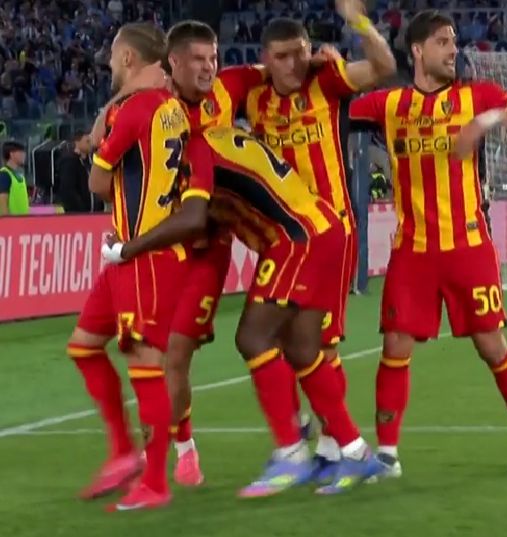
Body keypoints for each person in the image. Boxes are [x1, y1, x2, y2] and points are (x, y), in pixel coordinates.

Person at [102, 126, 384, 497]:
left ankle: (291, 452)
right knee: (302, 349)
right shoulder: (217, 140)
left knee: (253, 338)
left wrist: (128, 248)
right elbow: (204, 223)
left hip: (296, 239)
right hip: (323, 228)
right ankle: (356, 451)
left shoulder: (195, 151)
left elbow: (192, 220)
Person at [349, 10, 507, 478]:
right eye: (443, 41)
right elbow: (334, 105)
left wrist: (487, 121)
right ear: (418, 50)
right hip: (413, 252)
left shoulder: (476, 96)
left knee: (491, 345)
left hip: (468, 247)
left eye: (454, 41)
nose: (453, 49)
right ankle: (387, 456)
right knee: (395, 346)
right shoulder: (389, 104)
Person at [243, 0, 396, 480]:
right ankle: (318, 440)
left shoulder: (326, 81)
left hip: (331, 232)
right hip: (285, 238)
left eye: (300, 52)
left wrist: (358, 22)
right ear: (266, 58)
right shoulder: (252, 95)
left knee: (319, 345)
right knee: (282, 341)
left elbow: (384, 67)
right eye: (282, 56)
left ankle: (334, 448)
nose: (293, 64)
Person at [66, 22, 191, 512]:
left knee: (145, 365)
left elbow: (98, 184)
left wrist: (100, 152)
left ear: (127, 59)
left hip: (145, 257)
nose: (108, 64)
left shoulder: (136, 109)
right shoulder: (167, 106)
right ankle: (123, 454)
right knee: (83, 345)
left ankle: (154, 480)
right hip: (128, 253)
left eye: (113, 56)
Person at [159, 20, 267, 487]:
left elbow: (279, 67)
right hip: (161, 244)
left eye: (214, 58)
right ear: (174, 63)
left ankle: (178, 452)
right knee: (156, 356)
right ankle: (179, 443)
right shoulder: (153, 104)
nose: (209, 67)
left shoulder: (229, 87)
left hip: (209, 247)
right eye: (198, 59)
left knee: (176, 353)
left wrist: (320, 58)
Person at [57, 130, 93, 213]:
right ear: (77, 142)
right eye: (87, 141)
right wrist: (81, 209)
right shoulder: (69, 162)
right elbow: (67, 189)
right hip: (78, 212)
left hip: (93, 211)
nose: (91, 144)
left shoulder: (89, 162)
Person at [0, 141, 29, 216]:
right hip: (12, 222)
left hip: (23, 221)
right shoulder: (4, 174)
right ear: (12, 154)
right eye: (21, 152)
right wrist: (7, 221)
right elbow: (2, 201)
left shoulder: (19, 176)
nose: (24, 155)